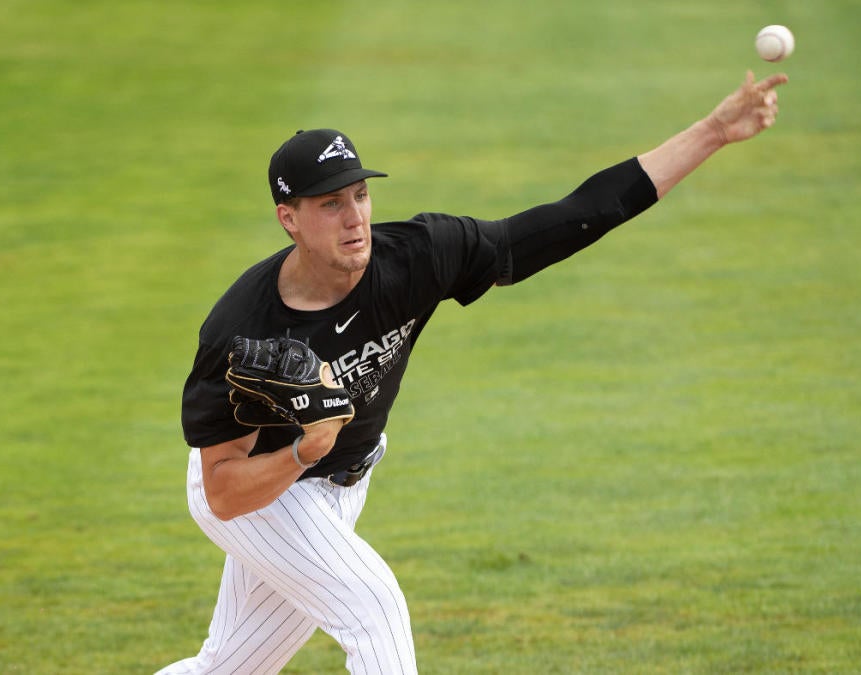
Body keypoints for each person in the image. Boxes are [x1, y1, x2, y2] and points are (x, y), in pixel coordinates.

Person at [158, 70, 788, 674]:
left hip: (341, 483)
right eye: (330, 204)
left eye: (360, 194)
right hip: (264, 489)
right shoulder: (241, 333)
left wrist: (710, 132)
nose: (356, 218)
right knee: (374, 611)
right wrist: (303, 450)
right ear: (288, 217)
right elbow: (221, 492)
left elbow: (574, 216)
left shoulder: (416, 257)